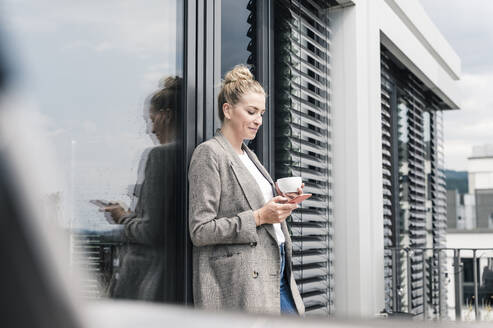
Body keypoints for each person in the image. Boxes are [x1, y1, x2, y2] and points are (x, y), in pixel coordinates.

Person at [188, 65, 305, 315]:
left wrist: (283, 202)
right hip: (244, 283)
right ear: (227, 110)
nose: (258, 120)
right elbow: (200, 230)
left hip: (277, 270)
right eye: (251, 111)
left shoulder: (250, 156)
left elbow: (261, 210)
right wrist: (260, 217)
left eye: (261, 113)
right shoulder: (209, 153)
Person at [103, 76, 184, 303]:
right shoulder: (193, 154)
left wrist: (122, 218)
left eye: (152, 119)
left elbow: (153, 231)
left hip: (148, 281)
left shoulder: (160, 156)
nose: (151, 128)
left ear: (166, 115)